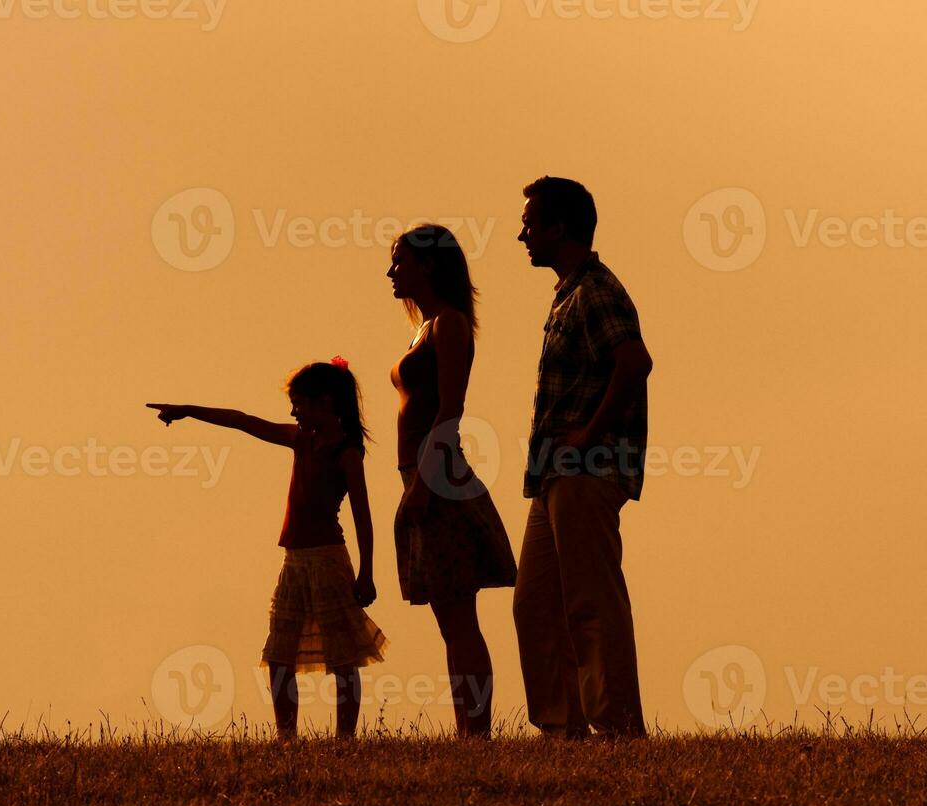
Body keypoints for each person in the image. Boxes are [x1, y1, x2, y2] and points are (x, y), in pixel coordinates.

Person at [146, 358, 386, 740]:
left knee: (342, 657)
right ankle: (285, 737)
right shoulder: (300, 440)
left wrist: (367, 571)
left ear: (324, 403)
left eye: (299, 403)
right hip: (295, 560)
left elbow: (364, 516)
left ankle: (346, 739)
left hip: (328, 559)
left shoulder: (346, 453)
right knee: (278, 655)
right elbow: (243, 421)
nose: (294, 411)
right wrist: (189, 411)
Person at [514, 176, 653, 740]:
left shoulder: (596, 289)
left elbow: (635, 363)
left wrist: (591, 437)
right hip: (555, 474)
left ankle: (617, 728)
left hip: (585, 471)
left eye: (531, 223)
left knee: (592, 602)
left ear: (559, 227)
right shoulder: (569, 291)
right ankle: (561, 728)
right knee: (535, 603)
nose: (522, 234)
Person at [387, 224, 517, 739]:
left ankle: (477, 732)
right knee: (448, 614)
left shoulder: (451, 324)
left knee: (460, 616)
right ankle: (468, 729)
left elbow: (451, 408)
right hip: (420, 474)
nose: (392, 272)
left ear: (430, 265)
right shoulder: (425, 327)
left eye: (401, 261)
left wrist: (423, 483)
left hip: (439, 475)